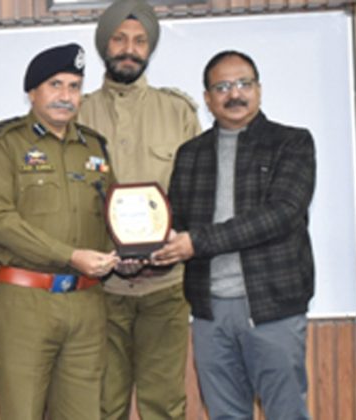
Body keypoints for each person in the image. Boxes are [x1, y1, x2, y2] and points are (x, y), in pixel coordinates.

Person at [152, 50, 315, 420]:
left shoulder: (292, 143)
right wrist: (145, 249)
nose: (234, 94)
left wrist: (197, 242)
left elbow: (281, 214)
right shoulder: (190, 154)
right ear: (208, 99)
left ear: (259, 90)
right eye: (222, 87)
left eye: (244, 83)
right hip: (210, 311)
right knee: (224, 415)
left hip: (272, 307)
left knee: (286, 413)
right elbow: (175, 223)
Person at [0, 43, 119, 420]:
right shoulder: (4, 143)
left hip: (86, 304)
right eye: (55, 85)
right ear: (32, 91)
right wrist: (70, 255)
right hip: (25, 304)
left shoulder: (94, 147)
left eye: (74, 86)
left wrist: (134, 251)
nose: (66, 96)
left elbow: (113, 217)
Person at [77, 1, 202, 418]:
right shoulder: (75, 112)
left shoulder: (178, 112)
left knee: (163, 405)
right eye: (119, 38)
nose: (129, 49)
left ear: (149, 48)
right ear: (103, 45)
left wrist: (166, 250)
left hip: (165, 289)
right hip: (98, 290)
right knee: (102, 405)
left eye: (140, 41)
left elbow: (197, 194)